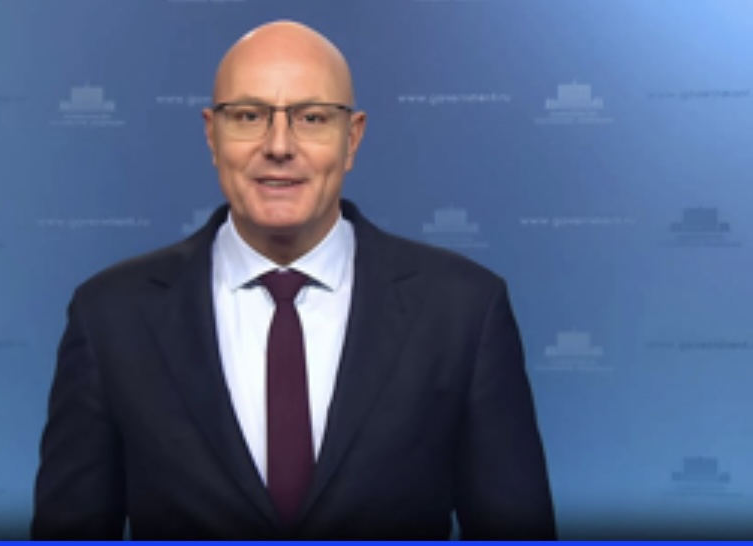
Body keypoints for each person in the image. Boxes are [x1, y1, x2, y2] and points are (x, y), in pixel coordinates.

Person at [31, 20, 555, 540]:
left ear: (352, 138)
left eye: (312, 118)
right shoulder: (110, 317)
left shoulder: (463, 311)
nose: (279, 145)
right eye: (248, 116)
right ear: (212, 135)